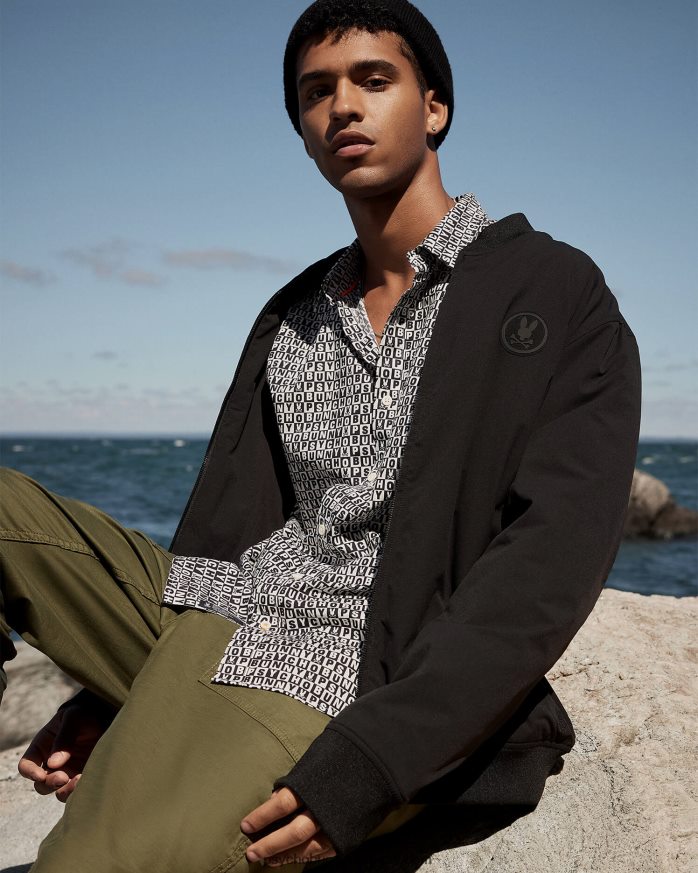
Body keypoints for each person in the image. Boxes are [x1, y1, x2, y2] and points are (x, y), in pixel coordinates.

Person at [0, 0, 642, 870]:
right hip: (225, 615)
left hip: (358, 666)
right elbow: (230, 530)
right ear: (302, 129)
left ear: (434, 107)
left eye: (374, 80)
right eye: (316, 92)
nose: (342, 106)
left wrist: (372, 764)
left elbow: (550, 558)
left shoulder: (551, 290)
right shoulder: (296, 312)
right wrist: (114, 693)